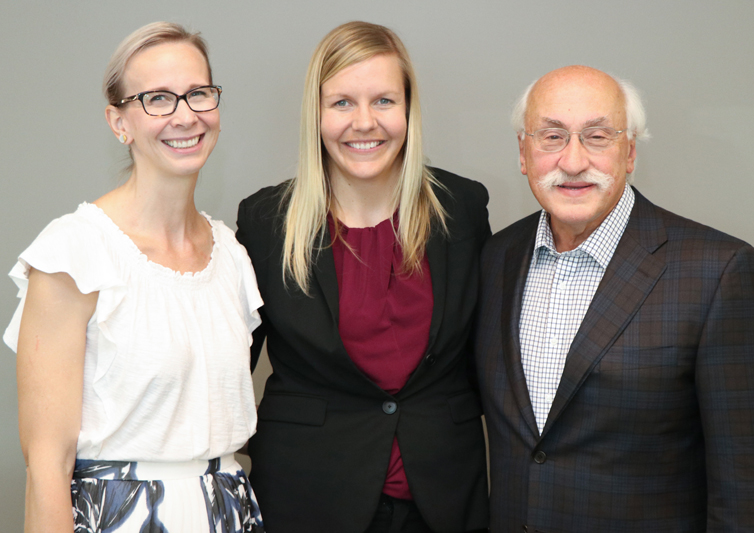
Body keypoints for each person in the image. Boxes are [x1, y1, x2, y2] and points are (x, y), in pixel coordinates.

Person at [475, 65, 754, 532]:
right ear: (523, 153)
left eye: (597, 136)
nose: (573, 161)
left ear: (629, 153)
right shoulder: (495, 258)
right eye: (552, 137)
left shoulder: (719, 272)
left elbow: (753, 489)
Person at [4, 22, 264, 532]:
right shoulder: (74, 252)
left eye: (198, 94)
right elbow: (47, 469)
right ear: (118, 122)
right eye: (158, 99)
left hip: (230, 511)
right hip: (118, 517)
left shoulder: (231, 254)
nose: (185, 115)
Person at [237, 21, 490, 533]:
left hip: (444, 498)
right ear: (317, 113)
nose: (365, 122)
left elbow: (493, 355)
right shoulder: (267, 221)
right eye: (342, 103)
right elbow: (226, 369)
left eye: (383, 101)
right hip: (308, 498)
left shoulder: (462, 208)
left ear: (408, 109)